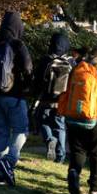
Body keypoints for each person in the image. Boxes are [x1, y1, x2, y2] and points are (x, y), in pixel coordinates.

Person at [0, 11, 33, 185]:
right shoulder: (18, 45)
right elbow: (27, 67)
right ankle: (8, 162)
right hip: (14, 95)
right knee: (21, 130)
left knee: (2, 132)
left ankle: (1, 173)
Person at [66, 45, 97, 194]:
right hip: (95, 119)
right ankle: (93, 192)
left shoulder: (78, 68)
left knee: (77, 150)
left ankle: (74, 171)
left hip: (73, 117)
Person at [34, 31, 73, 163]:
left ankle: (50, 139)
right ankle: (60, 155)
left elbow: (38, 80)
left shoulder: (46, 60)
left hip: (46, 99)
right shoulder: (70, 62)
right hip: (62, 102)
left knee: (43, 122)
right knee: (60, 127)